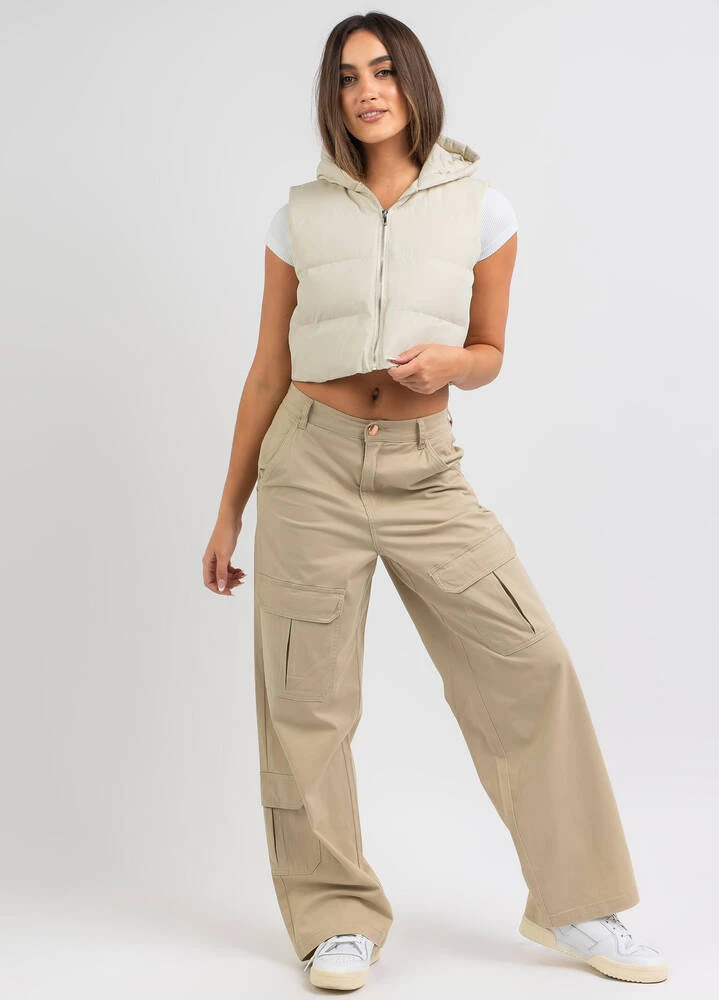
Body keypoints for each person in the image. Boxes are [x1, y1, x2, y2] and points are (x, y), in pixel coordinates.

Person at [202, 10, 668, 992]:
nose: (365, 90)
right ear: (331, 97)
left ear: (412, 82)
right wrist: (229, 509)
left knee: (530, 663)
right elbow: (267, 369)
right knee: (305, 704)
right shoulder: (298, 216)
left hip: (425, 470)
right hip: (309, 468)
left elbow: (490, 350)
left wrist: (450, 363)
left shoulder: (481, 208)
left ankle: (578, 903)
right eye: (345, 77)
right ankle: (334, 919)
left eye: (381, 70)